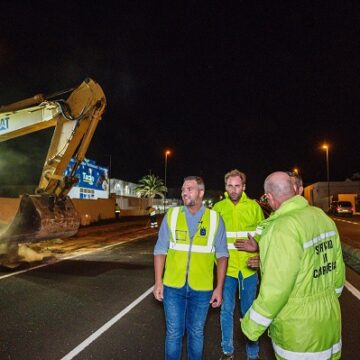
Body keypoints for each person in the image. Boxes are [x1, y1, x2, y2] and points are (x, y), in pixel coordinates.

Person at [241, 171, 345, 359]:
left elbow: (276, 288)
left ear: (270, 197)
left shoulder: (282, 227)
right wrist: (328, 296)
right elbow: (338, 270)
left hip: (299, 330)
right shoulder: (321, 217)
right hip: (330, 319)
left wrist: (251, 325)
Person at [153, 176, 229, 360]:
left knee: (196, 333)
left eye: (189, 189)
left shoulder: (214, 219)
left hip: (202, 288)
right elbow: (160, 250)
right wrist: (158, 282)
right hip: (172, 286)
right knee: (173, 333)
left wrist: (219, 288)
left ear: (201, 192)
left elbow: (222, 255)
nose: (184, 192)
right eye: (182, 189)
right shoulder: (172, 215)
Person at [213, 169, 264, 360]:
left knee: (250, 312)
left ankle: (253, 354)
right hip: (226, 271)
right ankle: (227, 351)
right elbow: (213, 241)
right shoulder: (218, 208)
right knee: (226, 311)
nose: (234, 190)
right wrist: (216, 265)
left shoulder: (254, 207)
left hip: (249, 269)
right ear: (225, 187)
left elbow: (263, 237)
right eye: (230, 186)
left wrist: (259, 256)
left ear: (244, 186)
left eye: (237, 185)